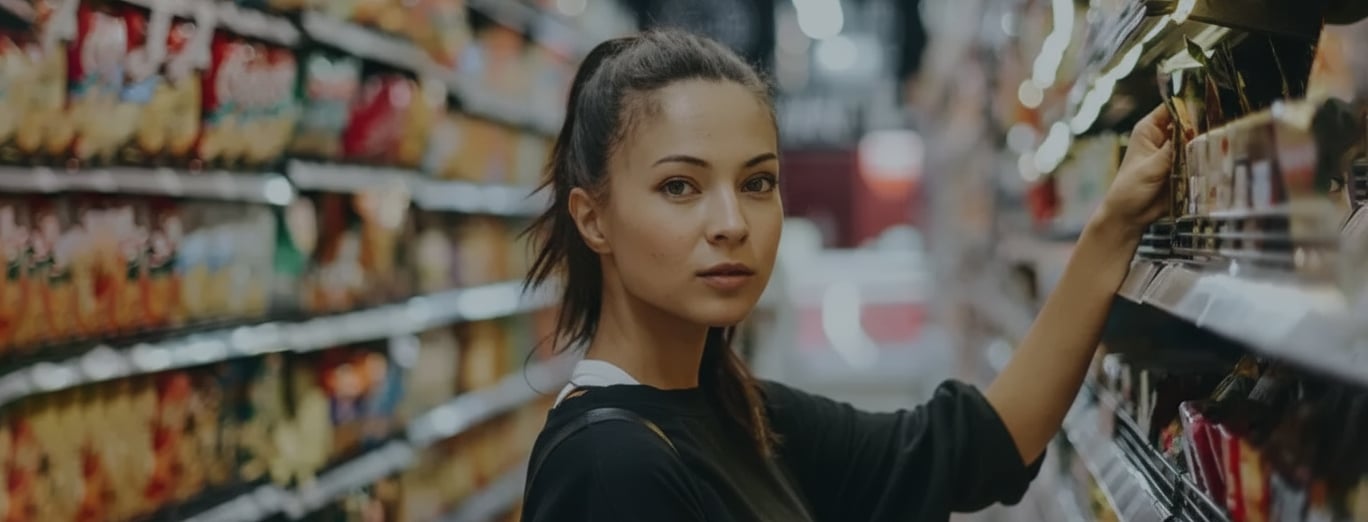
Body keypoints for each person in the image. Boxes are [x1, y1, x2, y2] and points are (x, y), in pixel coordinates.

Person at [520, 29, 1174, 522]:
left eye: (757, 182)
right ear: (593, 218)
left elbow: (974, 448)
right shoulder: (611, 470)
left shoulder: (736, 409)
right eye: (680, 186)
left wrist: (1113, 226)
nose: (731, 222)